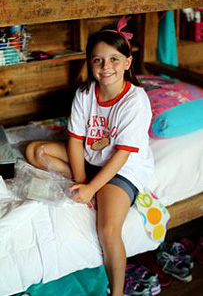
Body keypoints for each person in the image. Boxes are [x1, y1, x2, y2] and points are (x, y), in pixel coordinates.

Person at [25, 16, 154, 296]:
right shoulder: (86, 93)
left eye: (114, 59)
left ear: (128, 63)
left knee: (108, 230)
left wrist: (93, 188)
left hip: (122, 169)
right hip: (91, 161)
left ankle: (117, 292)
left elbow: (121, 155)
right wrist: (82, 180)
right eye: (98, 60)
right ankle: (89, 184)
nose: (106, 67)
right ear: (90, 63)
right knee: (36, 151)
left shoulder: (135, 100)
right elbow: (75, 139)